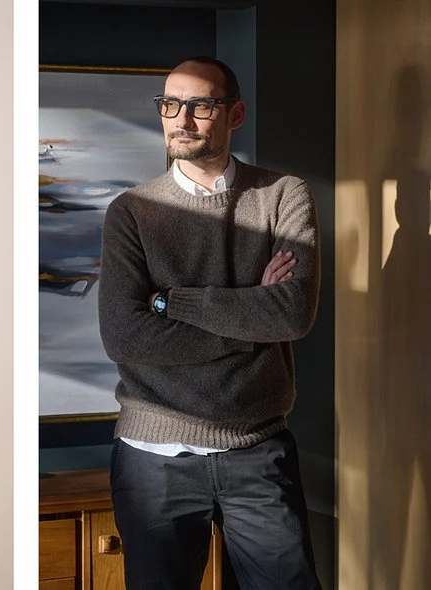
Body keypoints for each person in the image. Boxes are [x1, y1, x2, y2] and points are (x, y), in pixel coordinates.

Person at [96, 56, 321, 590]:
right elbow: (124, 336)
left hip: (257, 448)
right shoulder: (131, 212)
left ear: (235, 113)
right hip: (154, 460)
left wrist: (171, 301)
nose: (183, 119)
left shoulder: (283, 195)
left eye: (201, 105)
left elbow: (291, 313)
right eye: (171, 105)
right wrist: (250, 321)